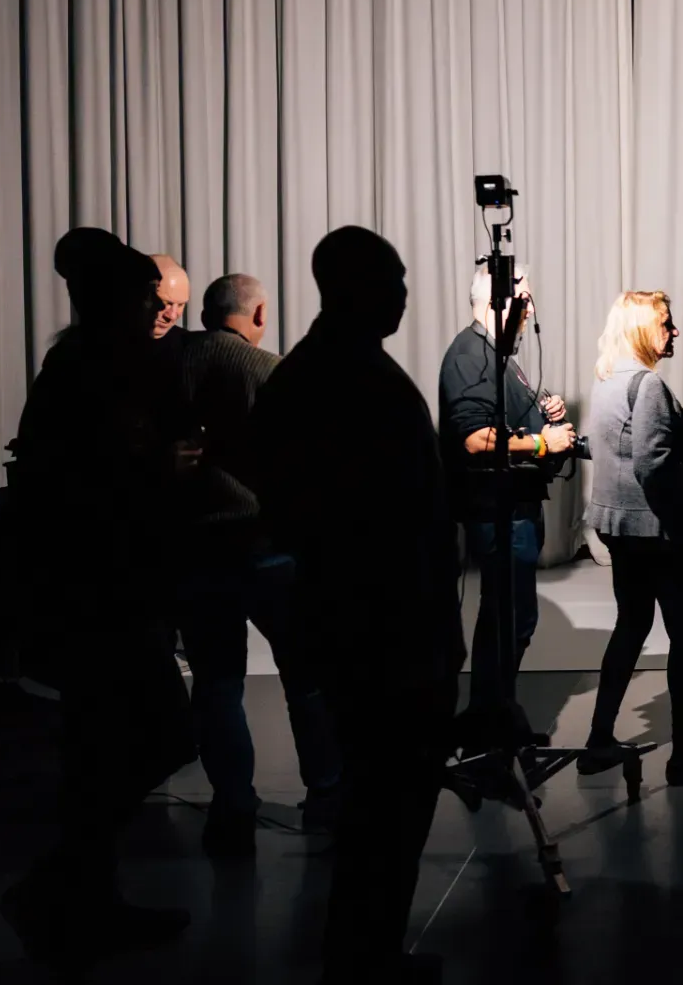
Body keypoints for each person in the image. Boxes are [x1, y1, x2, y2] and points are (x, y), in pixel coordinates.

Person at [250, 228, 463, 985]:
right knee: (384, 809)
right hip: (379, 633)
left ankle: (368, 952)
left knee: (386, 812)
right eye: (394, 279)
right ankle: (363, 959)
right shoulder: (335, 376)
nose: (406, 293)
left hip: (379, 625)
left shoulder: (330, 369)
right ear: (351, 285)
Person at [0, 229, 199, 970]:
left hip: (111, 591)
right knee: (142, 740)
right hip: (98, 597)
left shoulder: (101, 366)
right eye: (147, 296)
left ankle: (79, 899)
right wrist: (156, 466)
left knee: (105, 753)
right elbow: (75, 485)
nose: (158, 307)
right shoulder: (87, 369)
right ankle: (64, 891)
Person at [176, 273, 342, 857]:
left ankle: (233, 804)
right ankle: (325, 795)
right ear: (260, 312)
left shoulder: (171, 366)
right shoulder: (269, 371)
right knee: (308, 677)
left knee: (218, 685)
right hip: (265, 546)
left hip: (196, 550)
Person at [577, 291, 683, 786]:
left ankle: (599, 740)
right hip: (656, 530)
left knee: (632, 624)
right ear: (645, 328)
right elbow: (652, 465)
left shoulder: (608, 378)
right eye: (667, 323)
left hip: (620, 528)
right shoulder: (646, 385)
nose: (674, 331)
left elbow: (607, 452)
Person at [438, 264, 575, 727]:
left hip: (514, 508)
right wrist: (542, 442)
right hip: (498, 512)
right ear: (499, 301)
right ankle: (490, 725)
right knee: (507, 623)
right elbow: (475, 437)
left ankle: (493, 717)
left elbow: (500, 415)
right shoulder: (470, 354)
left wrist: (542, 408)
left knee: (509, 622)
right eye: (526, 298)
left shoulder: (497, 354)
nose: (532, 307)